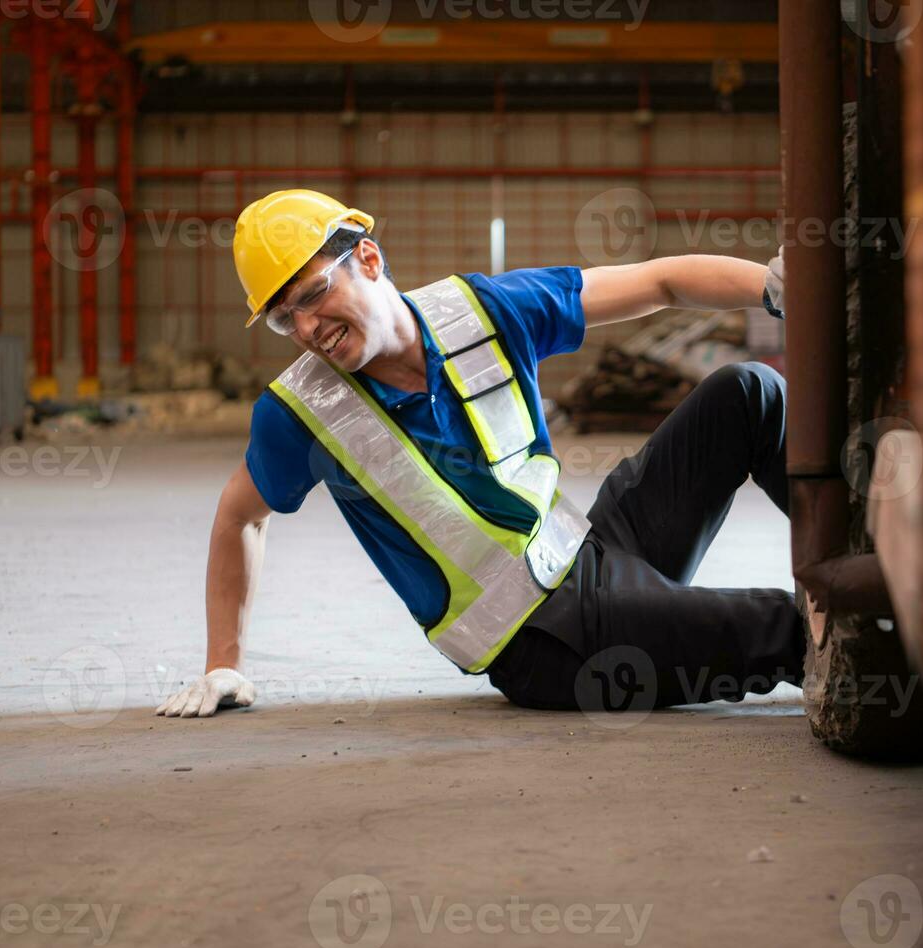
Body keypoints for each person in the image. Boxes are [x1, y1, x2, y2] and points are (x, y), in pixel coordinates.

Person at [156, 189, 800, 718]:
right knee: (783, 628)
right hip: (543, 644)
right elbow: (239, 517)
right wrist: (224, 665)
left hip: (590, 554)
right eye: (281, 318)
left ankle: (862, 551)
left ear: (370, 259)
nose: (304, 329)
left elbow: (658, 281)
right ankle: (882, 644)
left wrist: (774, 288)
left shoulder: (481, 312)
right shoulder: (299, 416)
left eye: (312, 294)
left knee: (750, 394)